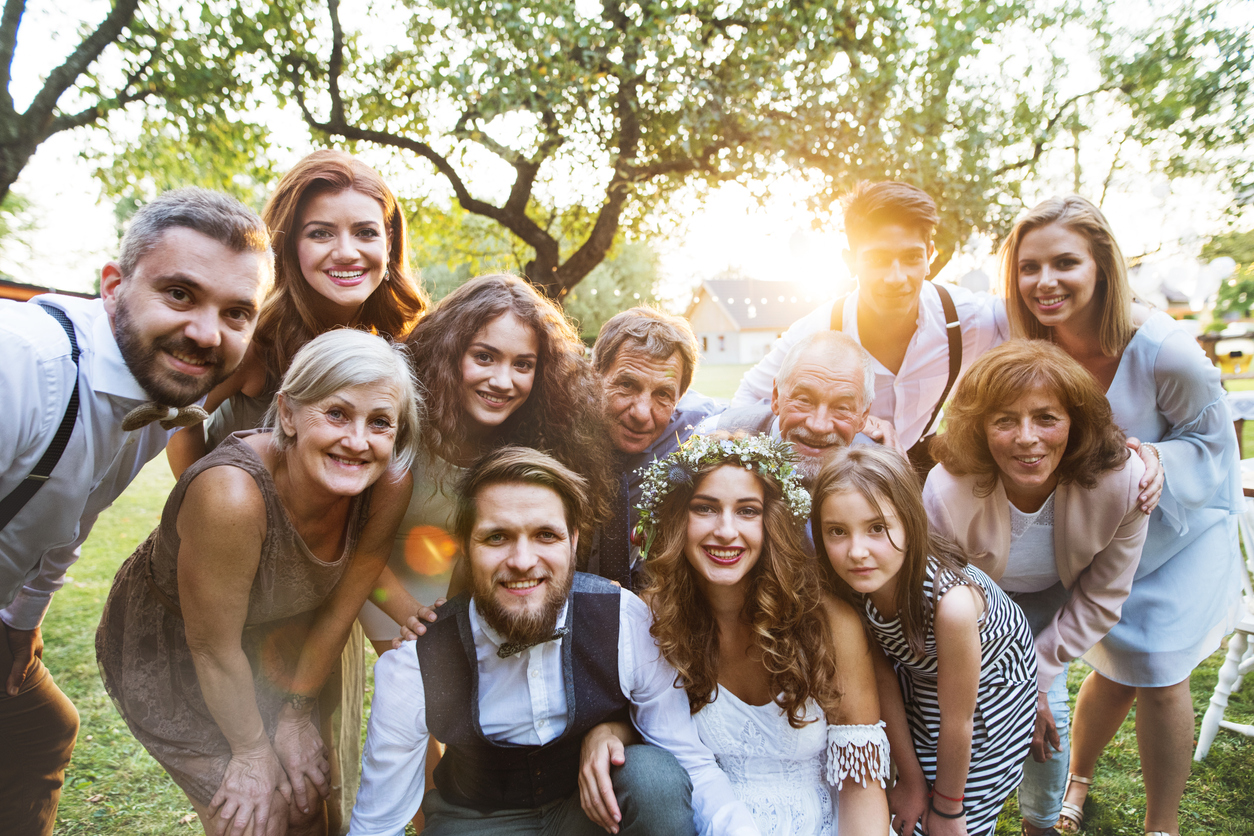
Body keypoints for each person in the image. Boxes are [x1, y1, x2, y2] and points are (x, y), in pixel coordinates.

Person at [0, 187, 272, 835]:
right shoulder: (23, 363)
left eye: (236, 313)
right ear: (113, 285)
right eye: (179, 294)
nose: (206, 333)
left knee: (40, 729)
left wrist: (23, 619)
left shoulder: (159, 400)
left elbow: (73, 517)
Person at [97, 329, 420, 836]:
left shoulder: (389, 482)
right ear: (288, 413)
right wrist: (251, 750)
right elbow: (211, 647)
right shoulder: (231, 496)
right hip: (179, 648)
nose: (358, 441)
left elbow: (343, 605)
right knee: (259, 819)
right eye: (336, 413)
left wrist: (294, 714)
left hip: (269, 637)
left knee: (307, 802)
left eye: (379, 422)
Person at [349, 447, 760, 836]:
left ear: (574, 541)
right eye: (496, 538)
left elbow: (687, 755)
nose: (523, 561)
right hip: (477, 818)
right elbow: (376, 820)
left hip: (590, 811)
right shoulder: (415, 663)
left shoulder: (624, 619)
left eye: (546, 535)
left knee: (654, 779)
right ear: (465, 547)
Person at [1000, 195, 1243, 836]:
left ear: (1102, 265)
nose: (1044, 282)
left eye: (1064, 263)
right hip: (1098, 537)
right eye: (1030, 267)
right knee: (1114, 666)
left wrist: (1158, 457)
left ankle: (1161, 826)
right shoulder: (1032, 343)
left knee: (1160, 671)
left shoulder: (1168, 352)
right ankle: (1078, 780)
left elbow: (1216, 452)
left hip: (1179, 529)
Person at [580, 434, 890, 835]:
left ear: (770, 523)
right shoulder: (654, 621)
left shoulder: (827, 622)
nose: (726, 531)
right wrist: (608, 730)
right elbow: (653, 721)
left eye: (747, 511)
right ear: (677, 519)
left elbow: (859, 784)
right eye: (705, 508)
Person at [922, 340, 1151, 836]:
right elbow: (940, 590)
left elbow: (1104, 595)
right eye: (1005, 420)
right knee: (961, 716)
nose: (1027, 438)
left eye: (1047, 417)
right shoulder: (946, 488)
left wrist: (1038, 681)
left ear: (1076, 420)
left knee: (1049, 722)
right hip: (972, 607)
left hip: (1054, 604)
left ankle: (1041, 824)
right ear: (981, 429)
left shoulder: (1123, 483)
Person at [358, 273, 616, 655]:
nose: (502, 381)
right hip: (379, 583)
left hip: (472, 595)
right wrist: (415, 616)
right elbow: (351, 545)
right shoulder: (400, 419)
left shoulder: (533, 438)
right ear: (450, 351)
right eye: (484, 357)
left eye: (523, 365)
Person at [813, 446, 1037, 836]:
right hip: (921, 674)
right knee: (907, 805)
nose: (857, 551)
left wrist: (949, 811)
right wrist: (911, 780)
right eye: (837, 531)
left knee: (940, 821)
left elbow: (958, 719)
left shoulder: (952, 606)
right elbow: (881, 675)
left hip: (989, 694)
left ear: (911, 523)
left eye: (877, 528)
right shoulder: (851, 584)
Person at [167, 148, 428, 477]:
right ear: (289, 245)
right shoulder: (256, 338)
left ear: (388, 241)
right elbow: (180, 422)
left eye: (366, 232)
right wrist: (205, 506)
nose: (347, 252)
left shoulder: (400, 340)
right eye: (321, 233)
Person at [731, 181, 1007, 466]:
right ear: (850, 262)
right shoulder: (817, 332)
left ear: (930, 256)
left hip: (924, 460)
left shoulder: (967, 319)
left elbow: (1033, 322)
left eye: (912, 257)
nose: (896, 277)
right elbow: (747, 397)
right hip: (842, 469)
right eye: (878, 259)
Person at [588, 306, 723, 589]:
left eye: (662, 394)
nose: (641, 412)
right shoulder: (552, 424)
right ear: (595, 375)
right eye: (626, 384)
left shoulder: (696, 424)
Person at [701, 330, 877, 484]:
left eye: (842, 408)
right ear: (776, 397)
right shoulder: (711, 440)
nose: (818, 426)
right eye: (804, 400)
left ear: (863, 416)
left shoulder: (876, 473)